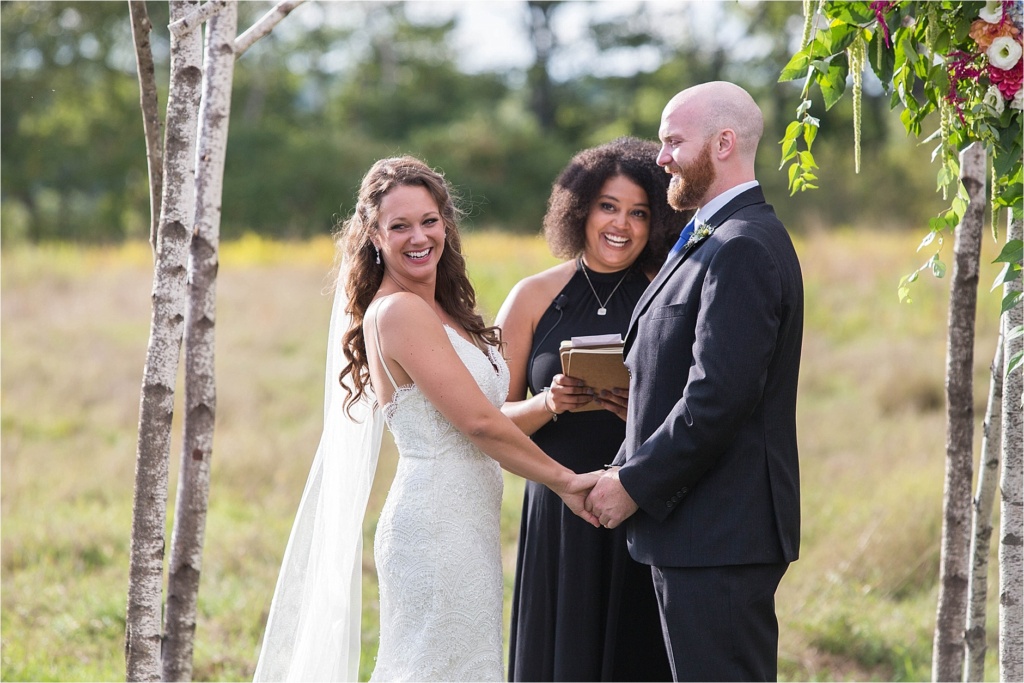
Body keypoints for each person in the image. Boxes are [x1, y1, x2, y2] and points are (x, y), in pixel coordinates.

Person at [254, 156, 599, 683]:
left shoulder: (439, 308)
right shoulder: (398, 312)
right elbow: (479, 427)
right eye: (400, 226)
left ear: (446, 223)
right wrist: (568, 482)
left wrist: (550, 402)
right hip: (435, 528)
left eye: (429, 221)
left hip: (467, 524)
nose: (419, 237)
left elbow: (487, 417)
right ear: (373, 234)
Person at [586, 82, 804, 682]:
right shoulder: (712, 234)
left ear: (724, 142)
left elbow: (717, 398)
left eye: (673, 141)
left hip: (721, 537)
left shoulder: (743, 245)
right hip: (697, 533)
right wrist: (618, 466)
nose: (661, 158)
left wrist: (633, 483)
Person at [496, 136, 688, 681]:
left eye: (639, 213)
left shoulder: (668, 292)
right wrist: (548, 402)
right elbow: (490, 421)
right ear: (579, 209)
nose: (620, 225)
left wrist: (639, 412)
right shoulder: (532, 296)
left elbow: (698, 412)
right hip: (560, 507)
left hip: (642, 503)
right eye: (608, 206)